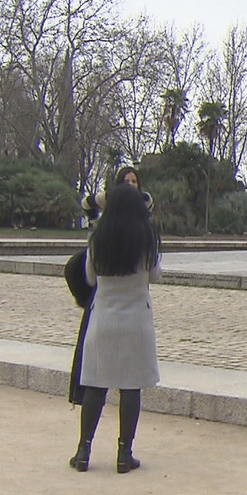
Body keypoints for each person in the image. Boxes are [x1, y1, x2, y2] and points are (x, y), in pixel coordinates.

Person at [68, 183, 163, 474]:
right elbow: (156, 276)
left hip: (104, 316)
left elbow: (90, 277)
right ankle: (125, 453)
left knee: (96, 385)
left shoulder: (98, 238)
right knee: (130, 387)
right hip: (137, 318)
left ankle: (84, 449)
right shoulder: (147, 238)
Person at [82, 166, 153, 224]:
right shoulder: (107, 197)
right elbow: (85, 203)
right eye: (126, 181)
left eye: (134, 181)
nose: (130, 184)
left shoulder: (146, 200)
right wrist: (96, 222)